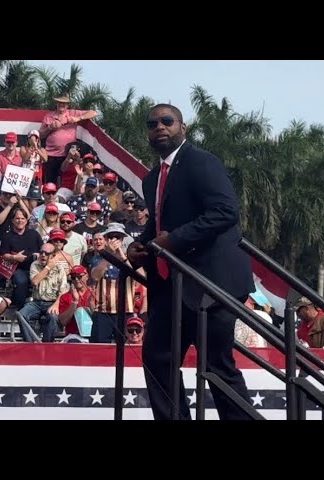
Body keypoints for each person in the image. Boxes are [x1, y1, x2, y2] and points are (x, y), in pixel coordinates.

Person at [127, 104, 255, 421]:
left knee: (215, 365)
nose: (159, 127)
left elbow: (225, 212)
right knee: (158, 358)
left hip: (213, 282)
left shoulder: (201, 162)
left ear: (182, 128)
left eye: (167, 121)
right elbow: (158, 226)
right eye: (152, 123)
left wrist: (175, 239)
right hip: (174, 284)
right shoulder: (153, 177)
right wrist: (139, 245)